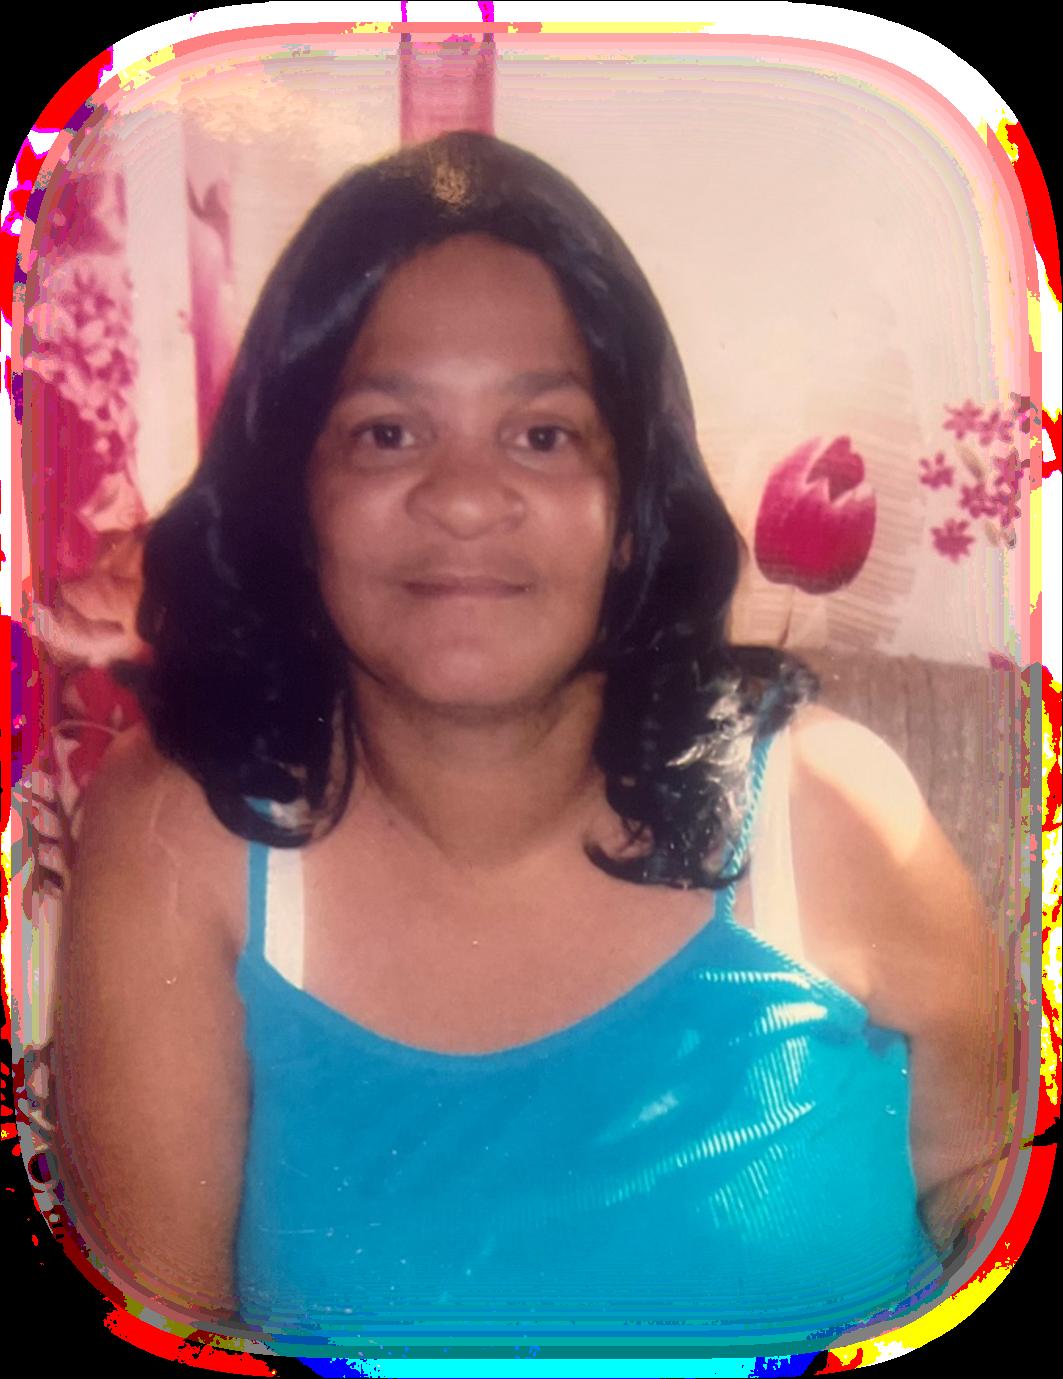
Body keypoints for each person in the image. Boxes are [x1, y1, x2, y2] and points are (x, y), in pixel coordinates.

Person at [51, 131, 1010, 1355]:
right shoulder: (177, 838)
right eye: (386, 432)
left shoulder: (830, 804)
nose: (463, 497)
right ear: (296, 498)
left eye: (543, 434)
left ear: (630, 511)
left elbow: (986, 1192)